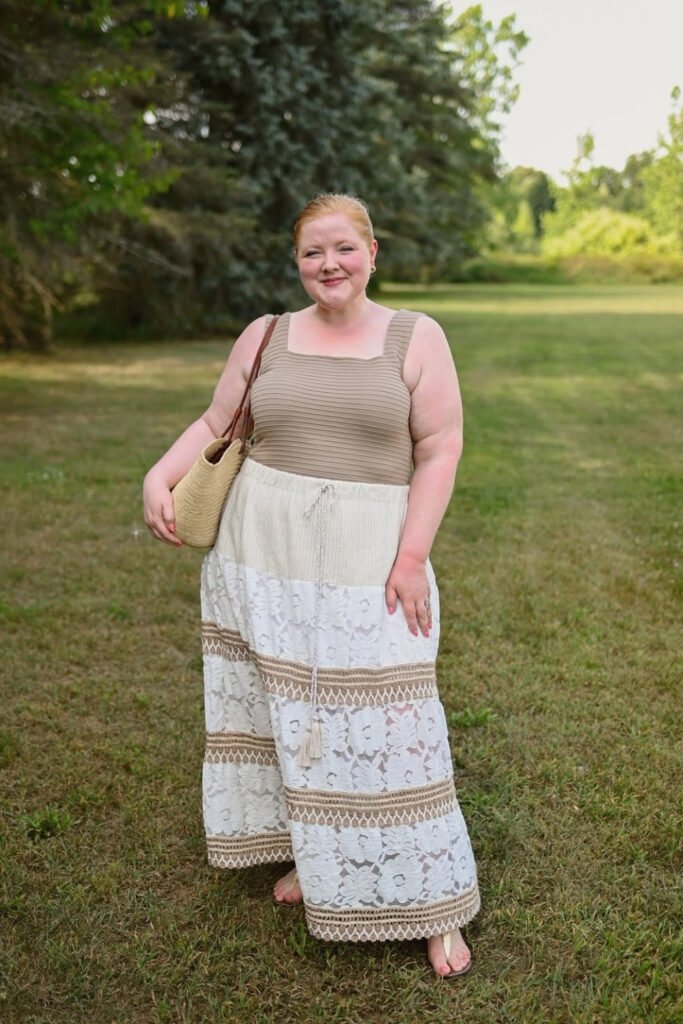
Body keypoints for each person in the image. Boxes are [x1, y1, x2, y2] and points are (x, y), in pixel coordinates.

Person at [143, 193, 480, 978]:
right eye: (310, 254)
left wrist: (408, 558)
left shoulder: (415, 336)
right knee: (291, 708)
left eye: (343, 249)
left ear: (371, 252)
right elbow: (216, 422)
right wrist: (157, 475)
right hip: (261, 548)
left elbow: (440, 448)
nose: (328, 265)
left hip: (371, 550)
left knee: (397, 727)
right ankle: (321, 856)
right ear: (296, 263)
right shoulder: (266, 335)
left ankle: (436, 905)